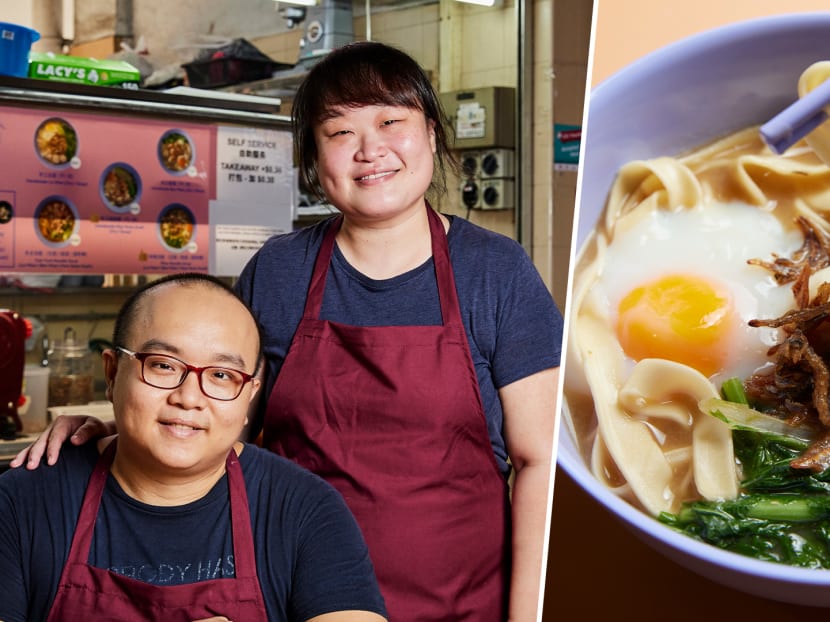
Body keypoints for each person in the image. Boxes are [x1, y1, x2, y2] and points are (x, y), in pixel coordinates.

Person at [15, 41, 564, 621]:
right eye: (340, 131)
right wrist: (115, 431)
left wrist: (527, 615)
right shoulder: (280, 271)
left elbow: (542, 465)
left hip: (460, 607)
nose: (370, 149)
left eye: (390, 122)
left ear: (430, 132)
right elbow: (218, 416)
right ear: (314, 158)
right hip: (290, 599)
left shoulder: (495, 272)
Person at [1, 273, 387, 622]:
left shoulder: (304, 509)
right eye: (163, 365)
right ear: (112, 372)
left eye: (221, 374)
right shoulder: (24, 501)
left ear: (249, 396)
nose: (188, 398)